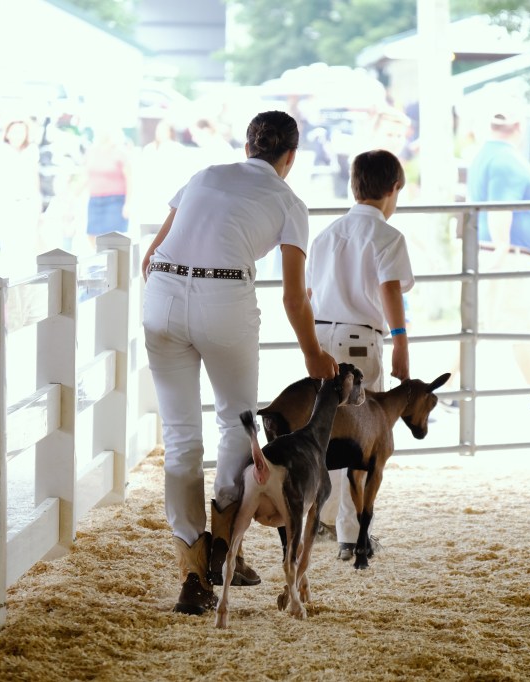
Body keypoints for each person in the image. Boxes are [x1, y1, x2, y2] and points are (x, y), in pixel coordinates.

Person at [141, 110, 338, 616]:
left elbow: (149, 256)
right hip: (225, 300)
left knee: (180, 437)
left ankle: (191, 573)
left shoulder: (204, 175)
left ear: (248, 147)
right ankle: (225, 549)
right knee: (236, 423)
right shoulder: (289, 202)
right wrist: (314, 355)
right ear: (290, 157)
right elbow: (294, 297)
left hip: (161, 294)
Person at [305, 148, 414, 561]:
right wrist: (401, 341)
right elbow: (389, 289)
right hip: (360, 343)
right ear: (393, 189)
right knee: (362, 442)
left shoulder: (326, 235)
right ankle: (352, 536)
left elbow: (309, 293)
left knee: (326, 432)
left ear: (354, 186)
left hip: (321, 338)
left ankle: (323, 517)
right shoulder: (387, 236)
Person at [457, 101, 530, 416]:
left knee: (479, 326)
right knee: (512, 327)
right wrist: (501, 247)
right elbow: (500, 207)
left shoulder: (486, 155)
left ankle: (444, 392)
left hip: (498, 252)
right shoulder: (505, 160)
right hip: (507, 255)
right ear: (520, 127)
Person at [0, 118, 43, 274]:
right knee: (9, 249)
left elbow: (34, 177)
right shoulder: (0, 149)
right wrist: (10, 117)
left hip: (27, 203)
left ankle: (24, 283)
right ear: (7, 133)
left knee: (26, 249)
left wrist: (38, 203)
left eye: (21, 131)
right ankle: (11, 282)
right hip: (6, 204)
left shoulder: (31, 150)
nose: (18, 135)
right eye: (14, 131)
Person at [84, 122, 133, 248]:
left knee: (112, 238)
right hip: (95, 200)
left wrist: (128, 203)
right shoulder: (91, 151)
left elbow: (129, 178)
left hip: (115, 201)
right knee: (92, 235)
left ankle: (112, 260)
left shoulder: (120, 152)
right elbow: (86, 175)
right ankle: (101, 259)